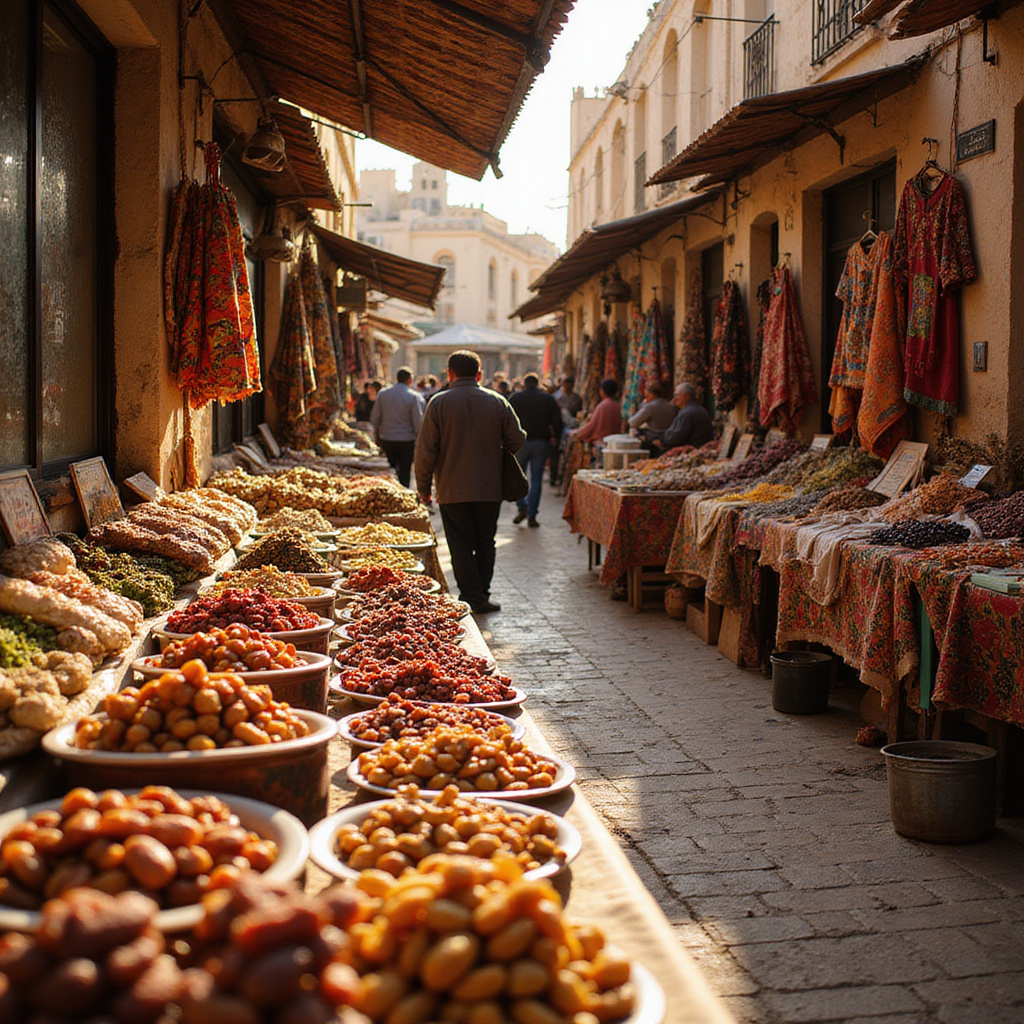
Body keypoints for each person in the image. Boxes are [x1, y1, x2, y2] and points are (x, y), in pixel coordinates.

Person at [414, 349, 525, 614]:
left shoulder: (438, 404)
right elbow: (517, 439)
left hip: (451, 489)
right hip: (489, 487)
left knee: (460, 544)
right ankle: (482, 595)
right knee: (486, 542)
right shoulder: (497, 401)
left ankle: (470, 595)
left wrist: (423, 489)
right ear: (479, 374)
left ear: (450, 373)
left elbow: (425, 451)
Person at [509, 372, 562, 527]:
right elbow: (557, 421)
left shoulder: (516, 398)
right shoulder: (547, 399)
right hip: (541, 442)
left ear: (524, 384)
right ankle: (532, 514)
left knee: (518, 477)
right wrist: (556, 438)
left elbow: (506, 420)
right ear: (537, 384)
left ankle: (522, 506)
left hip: (521, 443)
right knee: (536, 479)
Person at [370, 366, 425, 488]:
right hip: (407, 440)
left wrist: (377, 435)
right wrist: (420, 439)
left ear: (397, 378)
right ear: (410, 380)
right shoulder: (413, 396)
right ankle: (404, 493)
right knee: (405, 471)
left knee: (388, 472)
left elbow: (375, 418)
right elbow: (417, 421)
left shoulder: (383, 394)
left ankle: (390, 492)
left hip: (387, 438)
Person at [650, 382, 714, 453]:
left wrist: (662, 441)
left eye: (677, 395)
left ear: (687, 396)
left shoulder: (686, 413)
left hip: (691, 450)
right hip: (698, 448)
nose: (675, 399)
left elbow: (675, 437)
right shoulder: (699, 409)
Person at [572, 378, 624, 444]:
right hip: (615, 442)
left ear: (602, 391)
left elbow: (592, 426)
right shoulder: (618, 406)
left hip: (603, 442)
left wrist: (578, 433)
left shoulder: (602, 406)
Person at [628, 382, 677, 449]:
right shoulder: (672, 406)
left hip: (652, 439)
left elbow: (633, 422)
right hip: (667, 437)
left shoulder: (650, 406)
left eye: (647, 395)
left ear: (651, 395)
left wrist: (640, 408)